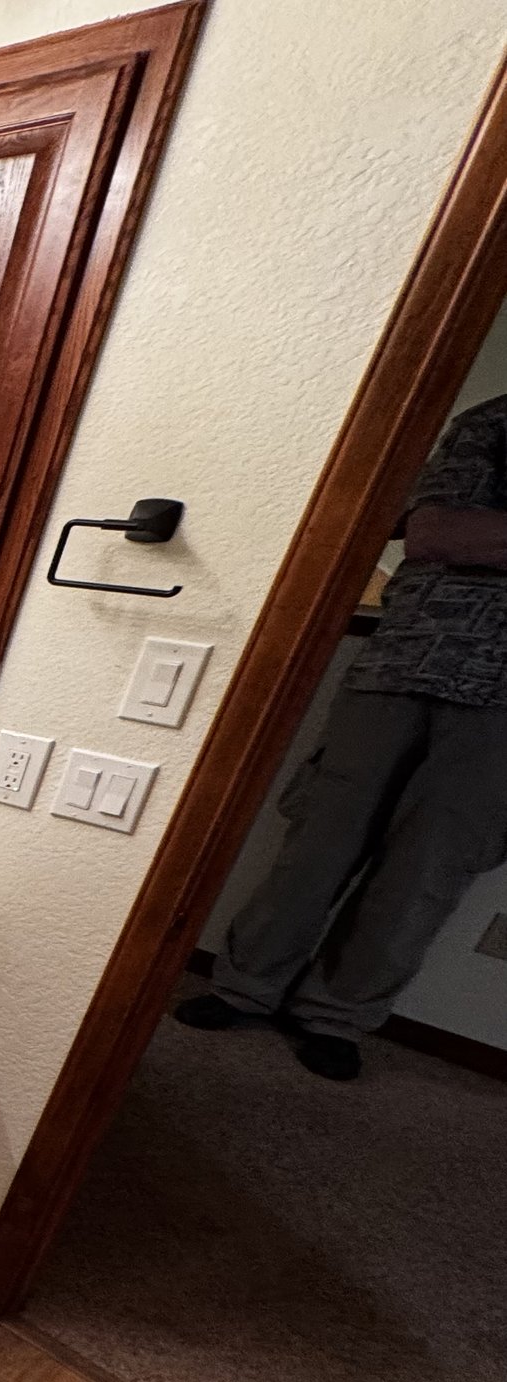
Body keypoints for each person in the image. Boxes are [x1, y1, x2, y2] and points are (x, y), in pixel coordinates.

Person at [179, 392, 507, 1080]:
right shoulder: (493, 420)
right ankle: (243, 987)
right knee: (319, 843)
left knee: (427, 875)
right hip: (404, 662)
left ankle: (336, 1018)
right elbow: (436, 533)